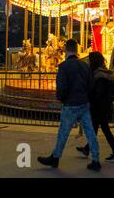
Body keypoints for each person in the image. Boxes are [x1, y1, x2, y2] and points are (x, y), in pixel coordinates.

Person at [37, 39, 101, 171]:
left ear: (66, 50)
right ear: (77, 50)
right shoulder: (85, 66)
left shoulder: (64, 67)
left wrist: (61, 98)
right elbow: (91, 86)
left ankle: (55, 158)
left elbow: (61, 88)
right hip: (84, 104)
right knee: (90, 132)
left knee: (63, 133)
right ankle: (96, 160)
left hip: (70, 105)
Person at [77, 52, 114, 162]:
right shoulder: (106, 73)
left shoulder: (99, 76)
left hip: (99, 108)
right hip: (103, 107)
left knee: (105, 130)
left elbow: (97, 94)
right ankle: (87, 149)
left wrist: (90, 100)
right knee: (95, 129)